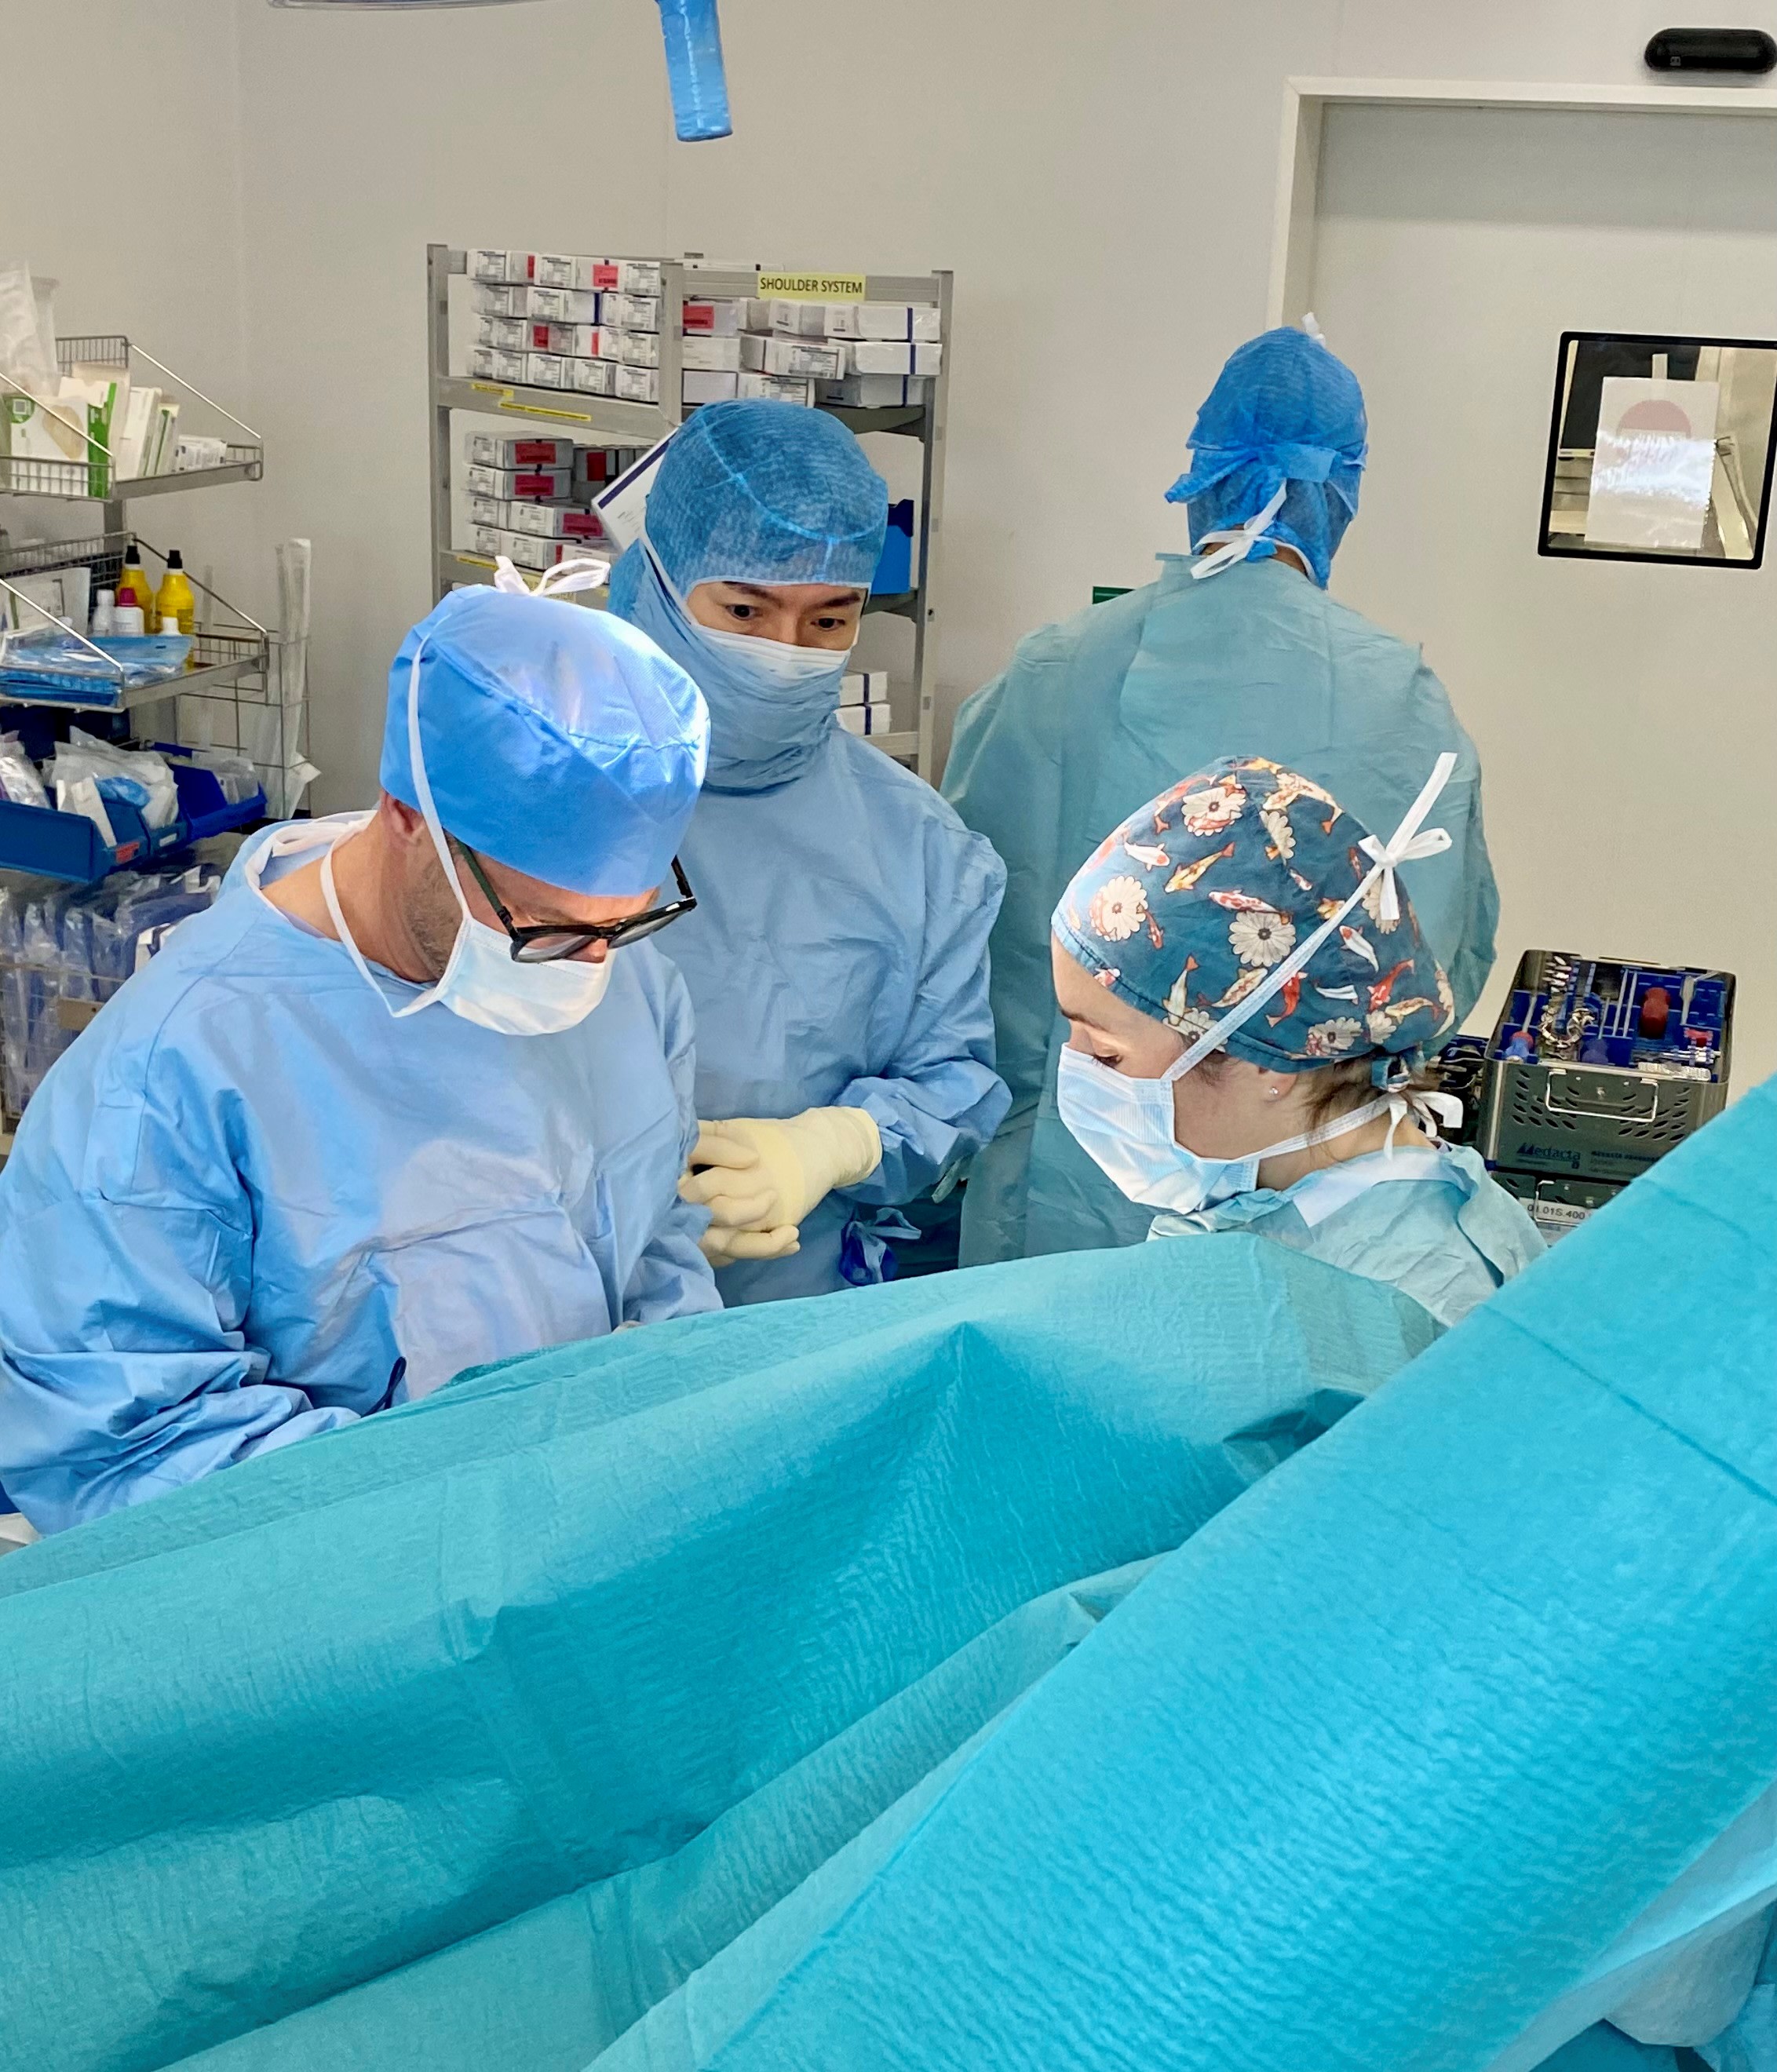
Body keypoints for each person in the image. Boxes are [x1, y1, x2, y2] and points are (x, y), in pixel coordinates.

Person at [0, 582, 720, 1534]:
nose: (588, 967)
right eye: (540, 925)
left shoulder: (625, 980)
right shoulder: (168, 1076)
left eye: (621, 923)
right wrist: (473, 1510)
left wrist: (665, 1420)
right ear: (407, 815)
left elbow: (653, 1237)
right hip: (359, 1574)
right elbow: (131, 1445)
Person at [945, 323, 1500, 1267]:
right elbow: (1439, 956)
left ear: (1202, 474)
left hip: (1065, 1178)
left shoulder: (1060, 668)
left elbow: (960, 935)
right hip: (1305, 1181)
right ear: (1340, 492)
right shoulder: (1399, 699)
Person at [608, 398, 1009, 1304]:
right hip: (563, 1304)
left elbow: (952, 1080)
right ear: (662, 579)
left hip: (795, 1302)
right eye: (745, 609)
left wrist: (831, 1145)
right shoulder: (556, 794)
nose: (782, 652)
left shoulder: (915, 843)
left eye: (828, 621)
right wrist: (621, 1210)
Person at [1050, 756, 1543, 1326]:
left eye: (1106, 1054)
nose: (1077, 1069)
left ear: (1270, 1062)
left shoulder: (1419, 1301)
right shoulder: (1287, 1207)